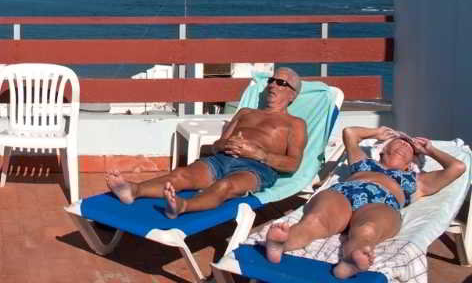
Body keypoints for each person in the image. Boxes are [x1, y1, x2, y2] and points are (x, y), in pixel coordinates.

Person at [264, 125, 467, 279]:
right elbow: (350, 133)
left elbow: (457, 167)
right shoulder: (364, 162)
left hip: (382, 205)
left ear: (410, 163)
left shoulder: (417, 181)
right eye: (399, 142)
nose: (404, 145)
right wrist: (376, 133)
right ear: (382, 151)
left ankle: (350, 261)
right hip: (342, 195)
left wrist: (430, 150)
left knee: (368, 229)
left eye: (409, 148)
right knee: (315, 219)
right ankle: (282, 244)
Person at [105, 67, 307, 218]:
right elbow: (217, 144)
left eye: (281, 83)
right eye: (272, 80)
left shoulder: (295, 124)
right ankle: (133, 190)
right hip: (223, 158)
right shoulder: (246, 112)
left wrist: (258, 154)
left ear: (292, 95)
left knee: (225, 186)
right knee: (180, 174)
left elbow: (293, 164)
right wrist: (225, 145)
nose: (272, 85)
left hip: (255, 168)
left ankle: (182, 206)